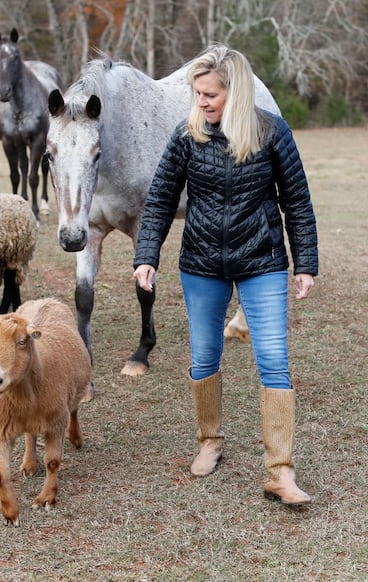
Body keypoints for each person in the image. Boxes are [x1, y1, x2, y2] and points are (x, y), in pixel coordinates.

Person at [133, 44, 318, 506]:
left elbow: (296, 200)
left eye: (210, 95)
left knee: (274, 358)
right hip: (201, 265)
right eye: (197, 93)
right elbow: (159, 200)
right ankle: (209, 441)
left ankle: (280, 470)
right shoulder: (186, 136)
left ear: (235, 93)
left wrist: (306, 263)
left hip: (263, 262)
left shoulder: (272, 133)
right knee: (205, 354)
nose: (202, 102)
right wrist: (146, 255)